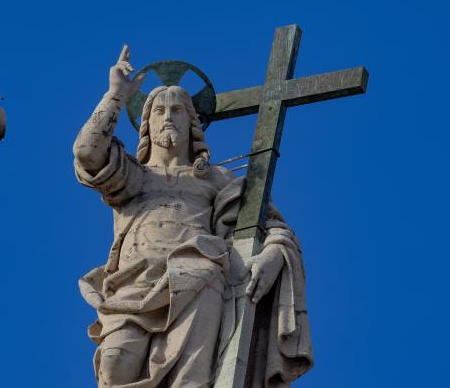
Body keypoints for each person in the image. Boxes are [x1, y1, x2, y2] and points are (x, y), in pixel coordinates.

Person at [73, 46, 312, 388]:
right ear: (146, 124)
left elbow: (273, 227)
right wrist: (115, 94)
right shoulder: (133, 176)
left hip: (199, 282)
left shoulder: (216, 180)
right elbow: (87, 153)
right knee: (113, 370)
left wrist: (275, 254)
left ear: (193, 123)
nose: (168, 117)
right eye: (158, 111)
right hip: (132, 285)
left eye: (177, 110)